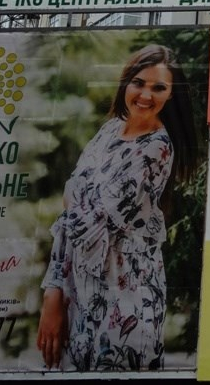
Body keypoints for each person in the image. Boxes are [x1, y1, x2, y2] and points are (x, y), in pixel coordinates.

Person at [37, 44, 196, 372]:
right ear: (126, 82)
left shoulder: (157, 147)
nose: (145, 95)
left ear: (170, 95)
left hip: (127, 298)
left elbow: (88, 220)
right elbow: (72, 215)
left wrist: (74, 198)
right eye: (139, 83)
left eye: (158, 88)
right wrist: (53, 291)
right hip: (81, 294)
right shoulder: (109, 129)